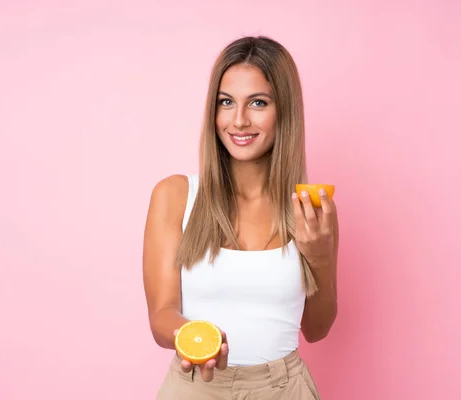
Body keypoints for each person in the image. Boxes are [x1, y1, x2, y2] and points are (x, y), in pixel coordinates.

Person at [142, 35, 339, 399]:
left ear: (285, 112)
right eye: (226, 102)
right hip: (197, 388)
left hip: (285, 388)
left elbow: (316, 329)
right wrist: (194, 339)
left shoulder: (311, 208)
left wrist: (322, 257)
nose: (239, 120)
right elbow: (161, 314)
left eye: (258, 103)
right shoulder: (174, 196)